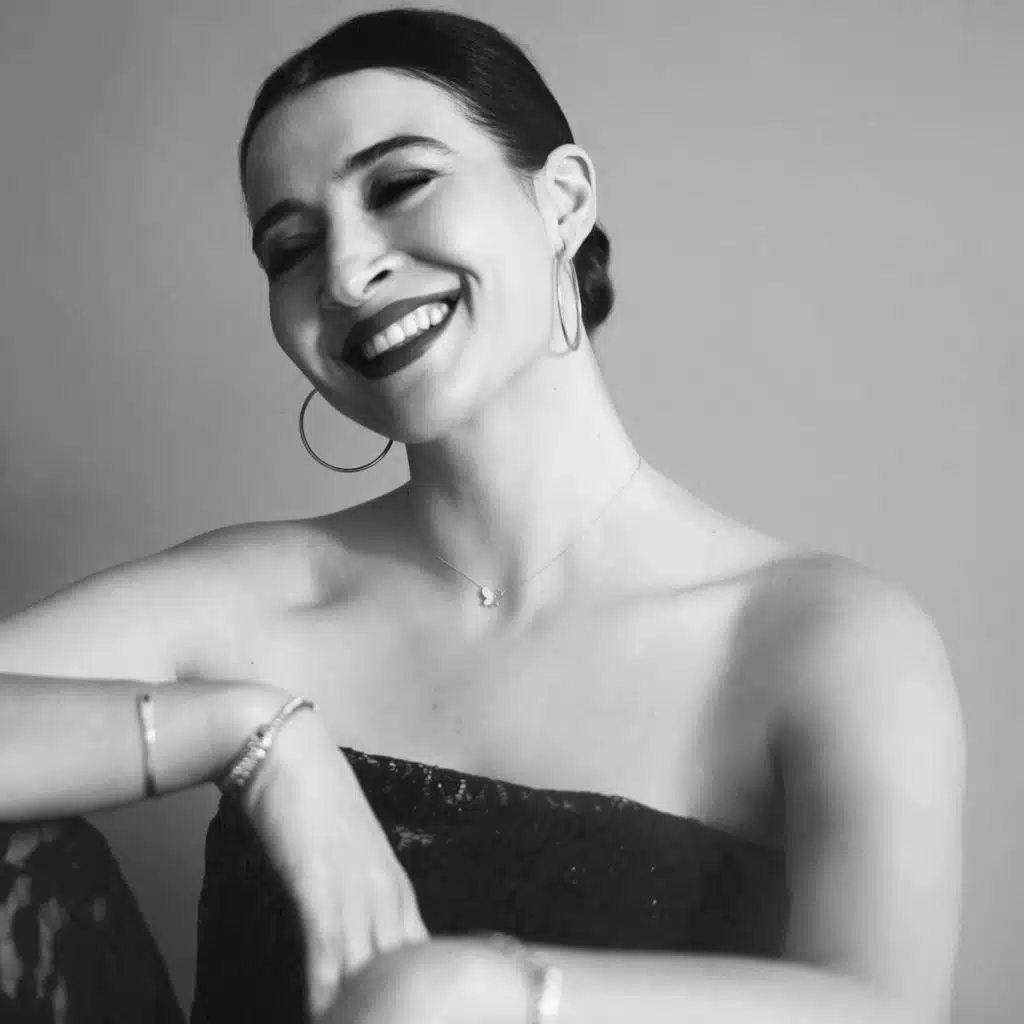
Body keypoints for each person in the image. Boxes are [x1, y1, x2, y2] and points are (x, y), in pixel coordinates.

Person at [0, 7, 965, 1024]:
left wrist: (493, 991)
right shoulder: (258, 597)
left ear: (564, 200)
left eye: (399, 186)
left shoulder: (817, 633)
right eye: (290, 247)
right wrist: (255, 737)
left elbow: (892, 1009)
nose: (344, 274)